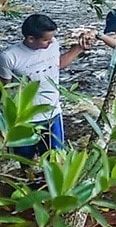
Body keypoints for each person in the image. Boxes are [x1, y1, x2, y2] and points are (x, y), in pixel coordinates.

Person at [0, 14, 93, 158]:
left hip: (52, 112)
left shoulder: (53, 43)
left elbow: (57, 65)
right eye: (46, 40)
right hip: (24, 119)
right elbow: (4, 91)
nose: (51, 42)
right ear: (30, 38)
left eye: (52, 38)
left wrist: (79, 49)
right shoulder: (9, 57)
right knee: (25, 160)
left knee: (55, 158)